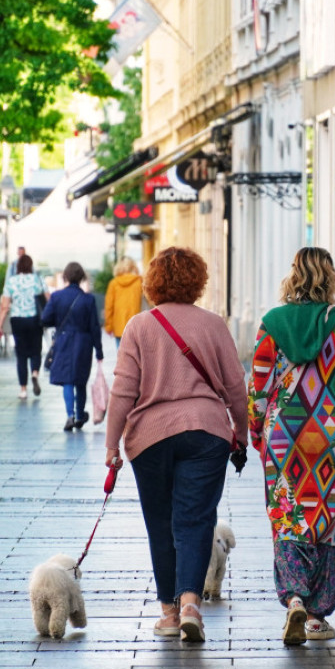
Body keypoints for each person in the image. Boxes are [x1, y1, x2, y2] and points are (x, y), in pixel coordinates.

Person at [104, 247, 247, 643]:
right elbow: (236, 386)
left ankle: (168, 612)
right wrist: (242, 433)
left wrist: (111, 446)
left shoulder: (139, 326)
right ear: (197, 281)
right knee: (196, 520)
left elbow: (122, 392)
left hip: (149, 438)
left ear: (153, 283)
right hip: (206, 431)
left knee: (160, 523)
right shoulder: (214, 324)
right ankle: (190, 605)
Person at [247, 247, 335, 645]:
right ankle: (317, 616)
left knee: (288, 516)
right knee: (327, 521)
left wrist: (257, 431)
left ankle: (295, 598)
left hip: (285, 435)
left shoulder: (272, 323)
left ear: (293, 276)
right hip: (333, 435)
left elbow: (259, 387)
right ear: (330, 276)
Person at [41, 262, 104, 431]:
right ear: (82, 277)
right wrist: (99, 350)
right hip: (84, 343)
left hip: (63, 340)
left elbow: (45, 319)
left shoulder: (56, 297)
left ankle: (69, 415)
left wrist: (59, 321)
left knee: (67, 379)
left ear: (65, 277)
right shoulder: (88, 299)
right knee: (80, 380)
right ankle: (79, 414)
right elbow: (94, 327)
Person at [0, 253, 49, 399]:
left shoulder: (11, 282)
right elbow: (48, 299)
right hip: (34, 320)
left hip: (17, 320)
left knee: (21, 355)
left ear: (17, 266)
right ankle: (35, 374)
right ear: (31, 266)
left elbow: (5, 307)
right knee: (36, 350)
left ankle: (23, 390)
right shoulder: (38, 279)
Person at [104, 256, 143, 348]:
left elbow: (109, 306)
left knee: (121, 356)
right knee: (136, 357)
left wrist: (109, 326)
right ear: (133, 266)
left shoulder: (113, 283)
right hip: (135, 325)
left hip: (119, 326)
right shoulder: (139, 281)